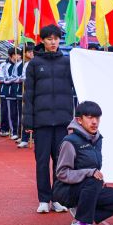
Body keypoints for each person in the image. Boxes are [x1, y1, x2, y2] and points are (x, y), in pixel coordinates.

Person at [53, 101, 113, 225]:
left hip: (88, 188)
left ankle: (84, 213)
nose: (94, 122)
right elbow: (62, 173)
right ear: (79, 120)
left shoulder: (97, 139)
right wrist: (90, 173)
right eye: (90, 117)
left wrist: (95, 178)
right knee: (94, 179)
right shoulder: (70, 142)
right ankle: (79, 223)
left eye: (97, 118)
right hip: (67, 191)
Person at [24, 25, 75, 214]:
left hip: (62, 121)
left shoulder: (68, 62)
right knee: (42, 161)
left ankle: (58, 199)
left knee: (61, 162)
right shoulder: (34, 64)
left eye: (56, 38)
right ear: (43, 41)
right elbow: (29, 95)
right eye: (49, 39)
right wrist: (28, 121)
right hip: (42, 122)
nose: (53, 42)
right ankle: (44, 199)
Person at [17, 45, 34, 148]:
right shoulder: (26, 65)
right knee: (26, 115)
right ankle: (24, 138)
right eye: (29, 52)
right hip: (28, 92)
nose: (32, 53)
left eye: (33, 52)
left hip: (39, 93)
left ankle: (35, 137)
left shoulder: (40, 63)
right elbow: (23, 77)